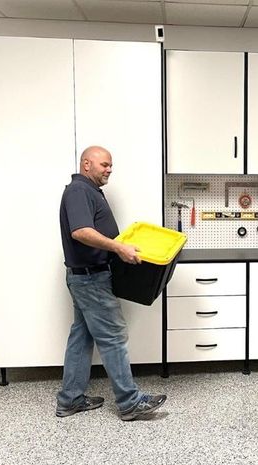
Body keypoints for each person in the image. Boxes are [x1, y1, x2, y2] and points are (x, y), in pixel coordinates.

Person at [56, 145, 166, 421]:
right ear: (86, 164)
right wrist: (118, 248)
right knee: (114, 337)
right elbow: (80, 231)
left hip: (86, 277)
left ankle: (70, 399)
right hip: (90, 278)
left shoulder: (87, 190)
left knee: (81, 337)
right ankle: (129, 403)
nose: (109, 169)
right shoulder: (79, 190)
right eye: (104, 164)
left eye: (110, 165)